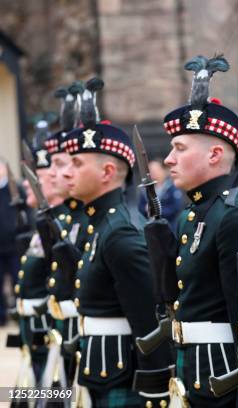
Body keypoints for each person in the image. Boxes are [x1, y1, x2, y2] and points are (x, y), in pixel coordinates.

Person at [62, 77, 172, 406]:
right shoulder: (100, 227)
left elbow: (148, 323)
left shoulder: (120, 234)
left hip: (123, 378)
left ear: (108, 171)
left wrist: (155, 392)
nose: (67, 172)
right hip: (99, 371)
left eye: (77, 164)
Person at [159, 54, 238, 407]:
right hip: (192, 369)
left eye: (179, 148)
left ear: (215, 155)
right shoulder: (191, 215)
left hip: (220, 374)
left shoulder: (232, 216)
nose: (169, 159)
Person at [39, 82, 89, 389]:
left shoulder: (89, 219)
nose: (55, 175)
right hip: (64, 327)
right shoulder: (65, 216)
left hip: (88, 339)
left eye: (63, 164)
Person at [14, 117, 63, 386]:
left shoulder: (60, 223)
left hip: (49, 327)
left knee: (54, 394)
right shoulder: (41, 222)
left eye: (37, 178)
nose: (26, 184)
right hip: (33, 325)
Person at [0, 156, 29, 326]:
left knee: (18, 279)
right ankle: (1, 316)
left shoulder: (15, 189)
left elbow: (26, 213)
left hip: (14, 244)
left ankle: (20, 314)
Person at [137, 158, 183, 229]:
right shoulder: (145, 190)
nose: (153, 173)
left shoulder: (171, 187)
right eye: (150, 171)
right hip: (150, 227)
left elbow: (175, 208)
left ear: (163, 170)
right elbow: (140, 207)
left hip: (168, 227)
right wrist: (146, 209)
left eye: (156, 170)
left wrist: (157, 211)